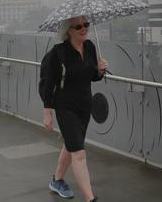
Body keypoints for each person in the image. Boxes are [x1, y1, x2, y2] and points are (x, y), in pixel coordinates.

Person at [41, 15, 108, 202]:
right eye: (78, 26)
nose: (83, 29)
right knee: (79, 152)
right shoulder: (59, 52)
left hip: (85, 107)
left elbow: (92, 76)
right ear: (68, 30)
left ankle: (57, 180)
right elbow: (49, 84)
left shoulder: (90, 47)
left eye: (86, 24)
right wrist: (47, 112)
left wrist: (100, 70)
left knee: (71, 146)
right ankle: (90, 198)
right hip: (65, 107)